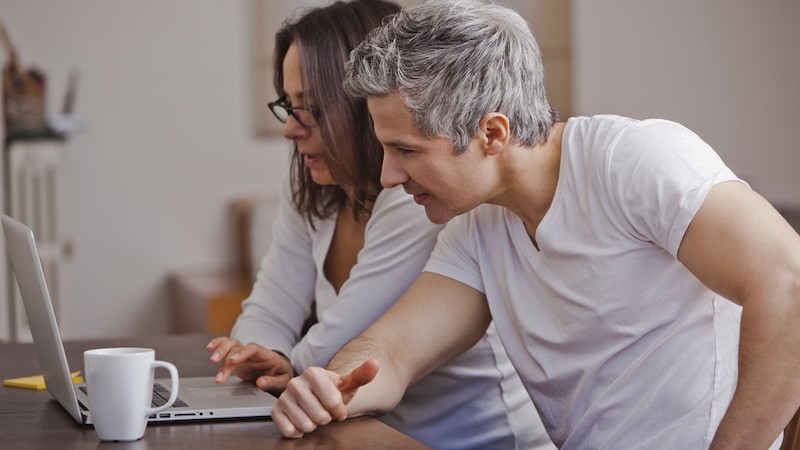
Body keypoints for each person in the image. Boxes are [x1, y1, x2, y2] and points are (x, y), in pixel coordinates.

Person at [270, 1, 800, 449]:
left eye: (405, 149)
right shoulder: (475, 227)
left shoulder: (632, 158)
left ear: (493, 133)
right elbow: (393, 351)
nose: (387, 177)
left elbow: (789, 286)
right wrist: (334, 384)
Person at [205, 1, 554, 449]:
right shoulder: (315, 184)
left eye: (309, 107)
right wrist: (264, 350)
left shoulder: (425, 199)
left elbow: (342, 351)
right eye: (287, 106)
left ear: (362, 106)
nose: (291, 129)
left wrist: (286, 368)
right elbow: (271, 302)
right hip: (367, 433)